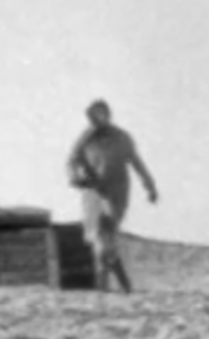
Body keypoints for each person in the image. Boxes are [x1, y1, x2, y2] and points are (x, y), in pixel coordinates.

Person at [66, 99, 158, 293]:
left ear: (108, 114)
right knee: (100, 238)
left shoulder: (122, 138)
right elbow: (71, 161)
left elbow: (137, 163)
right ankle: (113, 285)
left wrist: (149, 186)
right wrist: (76, 177)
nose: (98, 119)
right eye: (94, 115)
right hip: (92, 194)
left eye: (102, 114)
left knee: (107, 236)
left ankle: (114, 283)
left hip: (116, 193)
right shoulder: (85, 139)